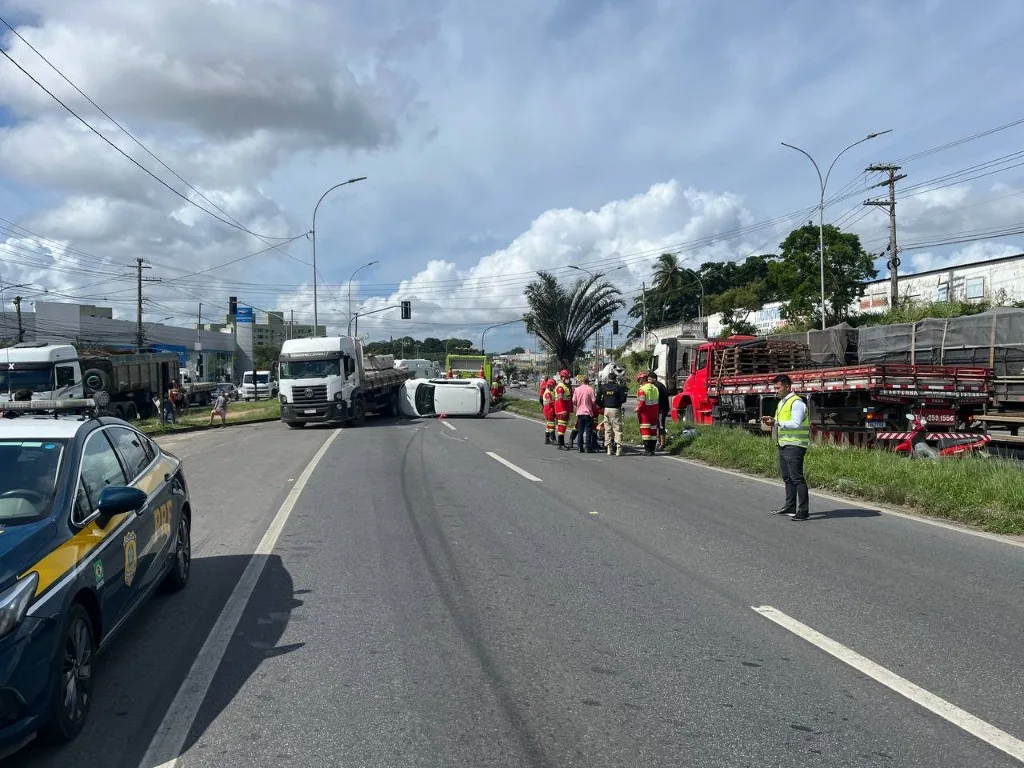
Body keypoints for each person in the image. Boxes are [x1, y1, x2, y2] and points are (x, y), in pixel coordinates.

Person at [760, 374, 810, 521]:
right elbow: (780, 421)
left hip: (795, 444)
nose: (776, 390)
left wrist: (776, 422)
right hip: (783, 444)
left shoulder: (797, 403)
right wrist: (772, 422)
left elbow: (796, 424)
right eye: (775, 388)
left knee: (797, 478)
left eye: (778, 387)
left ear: (788, 386)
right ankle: (790, 506)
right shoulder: (782, 402)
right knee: (787, 478)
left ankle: (803, 511)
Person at [599, 371, 626, 456]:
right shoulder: (618, 387)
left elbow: (597, 399)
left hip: (606, 409)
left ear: (608, 378)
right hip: (615, 410)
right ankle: (619, 449)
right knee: (617, 429)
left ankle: (609, 449)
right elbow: (623, 399)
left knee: (608, 430)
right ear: (615, 379)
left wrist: (602, 405)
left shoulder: (603, 387)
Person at [635, 372, 659, 456]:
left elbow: (641, 402)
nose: (638, 382)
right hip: (655, 411)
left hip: (645, 413)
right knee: (653, 431)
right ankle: (652, 450)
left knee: (645, 430)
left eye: (639, 380)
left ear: (641, 379)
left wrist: (637, 409)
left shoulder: (642, 389)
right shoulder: (654, 388)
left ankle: (647, 450)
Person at [571, 375, 598, 453]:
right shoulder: (590, 389)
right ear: (588, 382)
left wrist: (578, 405)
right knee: (588, 430)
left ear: (581, 381)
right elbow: (593, 401)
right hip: (588, 412)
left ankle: (580, 447)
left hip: (579, 412)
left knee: (580, 430)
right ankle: (588, 447)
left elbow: (573, 401)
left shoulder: (577, 389)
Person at [648, 371, 670, 451]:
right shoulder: (657, 385)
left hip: (662, 409)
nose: (648, 381)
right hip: (659, 409)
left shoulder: (658, 386)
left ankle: (662, 444)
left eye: (650, 379)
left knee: (661, 426)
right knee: (657, 426)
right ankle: (658, 442)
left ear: (654, 379)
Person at [553, 369, 574, 450]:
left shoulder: (565, 386)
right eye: (566, 378)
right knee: (561, 426)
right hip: (562, 410)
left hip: (566, 409)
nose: (568, 379)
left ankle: (561, 443)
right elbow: (559, 400)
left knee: (563, 426)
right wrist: (563, 410)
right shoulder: (560, 387)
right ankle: (561, 444)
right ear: (562, 378)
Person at [541, 378, 557, 445]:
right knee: (551, 424)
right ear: (549, 385)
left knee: (548, 425)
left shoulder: (550, 391)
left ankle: (547, 439)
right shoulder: (548, 393)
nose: (554, 387)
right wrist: (557, 403)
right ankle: (553, 439)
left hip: (549, 409)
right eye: (553, 386)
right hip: (548, 410)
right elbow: (550, 402)